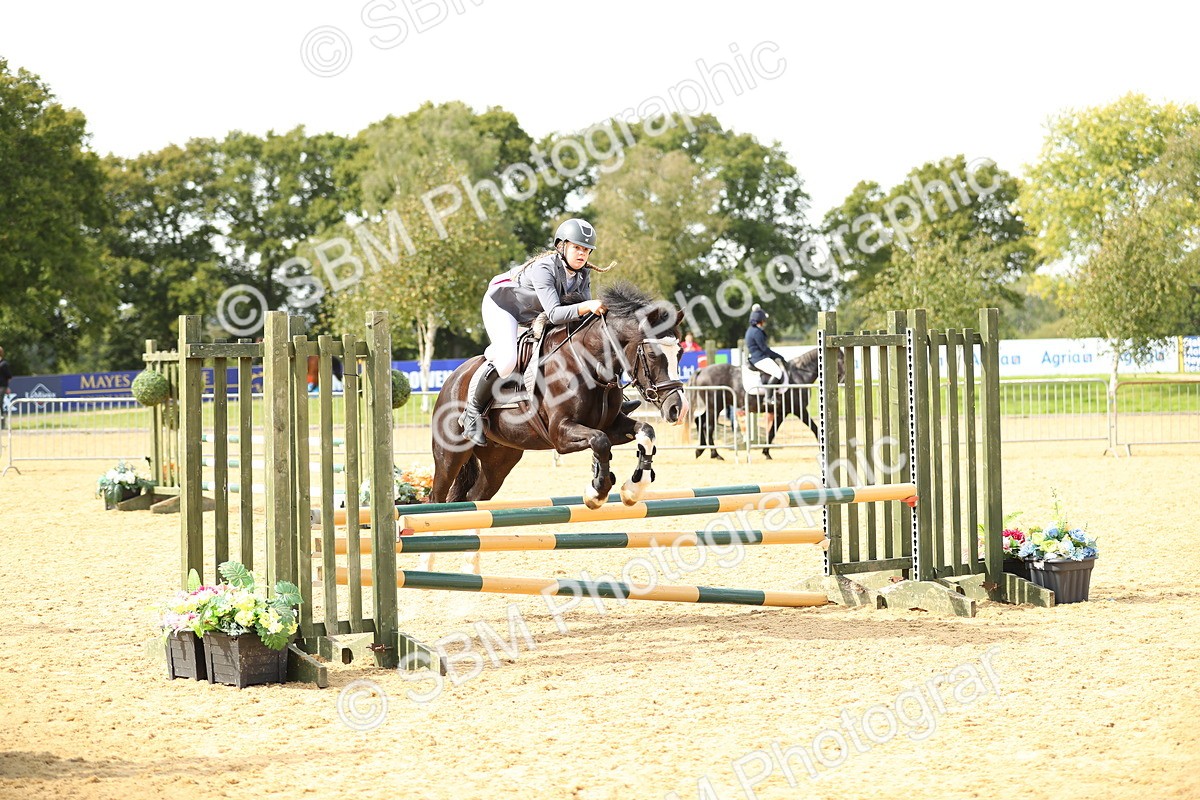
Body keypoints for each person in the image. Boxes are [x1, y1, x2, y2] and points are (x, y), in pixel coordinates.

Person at [459, 218, 615, 446]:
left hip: (529, 312)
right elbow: (554, 314)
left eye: (586, 250)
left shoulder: (582, 275)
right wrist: (587, 306)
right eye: (577, 247)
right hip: (503, 305)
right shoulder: (545, 267)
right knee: (506, 360)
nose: (582, 254)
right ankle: (472, 414)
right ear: (561, 246)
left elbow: (582, 317)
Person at [745, 306, 787, 388]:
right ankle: (768, 397)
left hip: (755, 357)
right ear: (760, 320)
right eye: (764, 320)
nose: (764, 322)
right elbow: (764, 349)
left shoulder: (751, 330)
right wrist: (779, 356)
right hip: (759, 358)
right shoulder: (757, 332)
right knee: (778, 373)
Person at [0, 346, 12, 429]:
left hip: (2, 386)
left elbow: (9, 376)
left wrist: (7, 387)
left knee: (0, 404)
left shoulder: (3, 364)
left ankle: (3, 425)